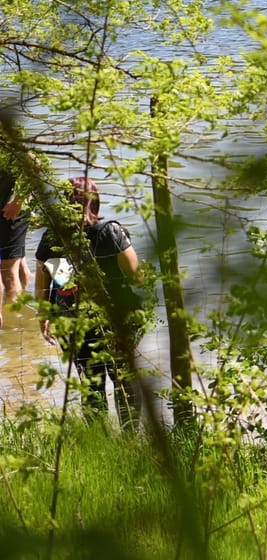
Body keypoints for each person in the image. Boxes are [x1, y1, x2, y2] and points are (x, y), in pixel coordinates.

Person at [37, 177, 145, 426]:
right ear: (94, 202)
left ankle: (100, 440)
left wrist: (43, 317)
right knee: (124, 379)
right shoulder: (111, 231)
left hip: (72, 320)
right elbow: (137, 277)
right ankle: (130, 438)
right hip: (116, 317)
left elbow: (43, 284)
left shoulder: (51, 238)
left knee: (91, 381)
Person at [0, 166, 31, 328]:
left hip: (11, 211)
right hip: (7, 208)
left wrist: (18, 201)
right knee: (19, 264)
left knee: (8, 275)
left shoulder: (10, 141)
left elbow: (34, 166)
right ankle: (21, 307)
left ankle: (13, 327)